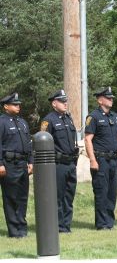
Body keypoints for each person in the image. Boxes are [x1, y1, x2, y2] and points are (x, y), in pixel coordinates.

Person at [84, 87, 117, 230]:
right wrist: (92, 160)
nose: (111, 99)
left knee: (112, 192)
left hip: (113, 160)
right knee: (101, 192)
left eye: (112, 97)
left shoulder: (115, 117)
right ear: (100, 100)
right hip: (100, 160)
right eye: (108, 97)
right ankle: (101, 224)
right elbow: (88, 140)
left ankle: (110, 222)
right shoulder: (93, 117)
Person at [41, 89, 79, 233]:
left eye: (66, 101)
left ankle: (66, 225)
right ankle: (56, 226)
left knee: (69, 196)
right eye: (62, 101)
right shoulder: (48, 120)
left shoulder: (68, 118)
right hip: (57, 164)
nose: (65, 104)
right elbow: (43, 144)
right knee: (57, 196)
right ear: (54, 103)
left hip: (70, 163)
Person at [0, 93, 33, 237]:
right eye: (15, 104)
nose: (18, 106)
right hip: (9, 165)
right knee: (11, 198)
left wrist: (31, 161)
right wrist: (0, 164)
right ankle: (14, 231)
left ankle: (22, 228)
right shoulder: (1, 122)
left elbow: (29, 143)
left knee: (22, 197)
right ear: (6, 106)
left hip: (23, 164)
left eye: (18, 104)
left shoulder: (22, 122)